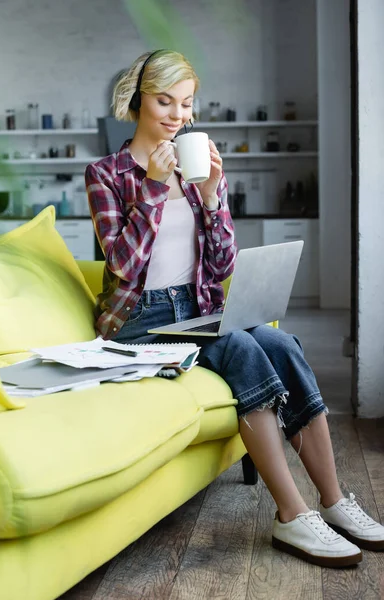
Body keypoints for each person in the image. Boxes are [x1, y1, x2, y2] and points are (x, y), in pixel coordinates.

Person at [85, 49, 384, 568]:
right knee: (243, 346)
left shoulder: (198, 170)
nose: (178, 116)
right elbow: (122, 264)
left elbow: (223, 261)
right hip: (138, 322)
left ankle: (334, 503)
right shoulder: (107, 173)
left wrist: (211, 196)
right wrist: (155, 191)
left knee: (283, 343)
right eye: (165, 101)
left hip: (195, 308)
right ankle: (291, 516)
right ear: (137, 102)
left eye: (186, 104)